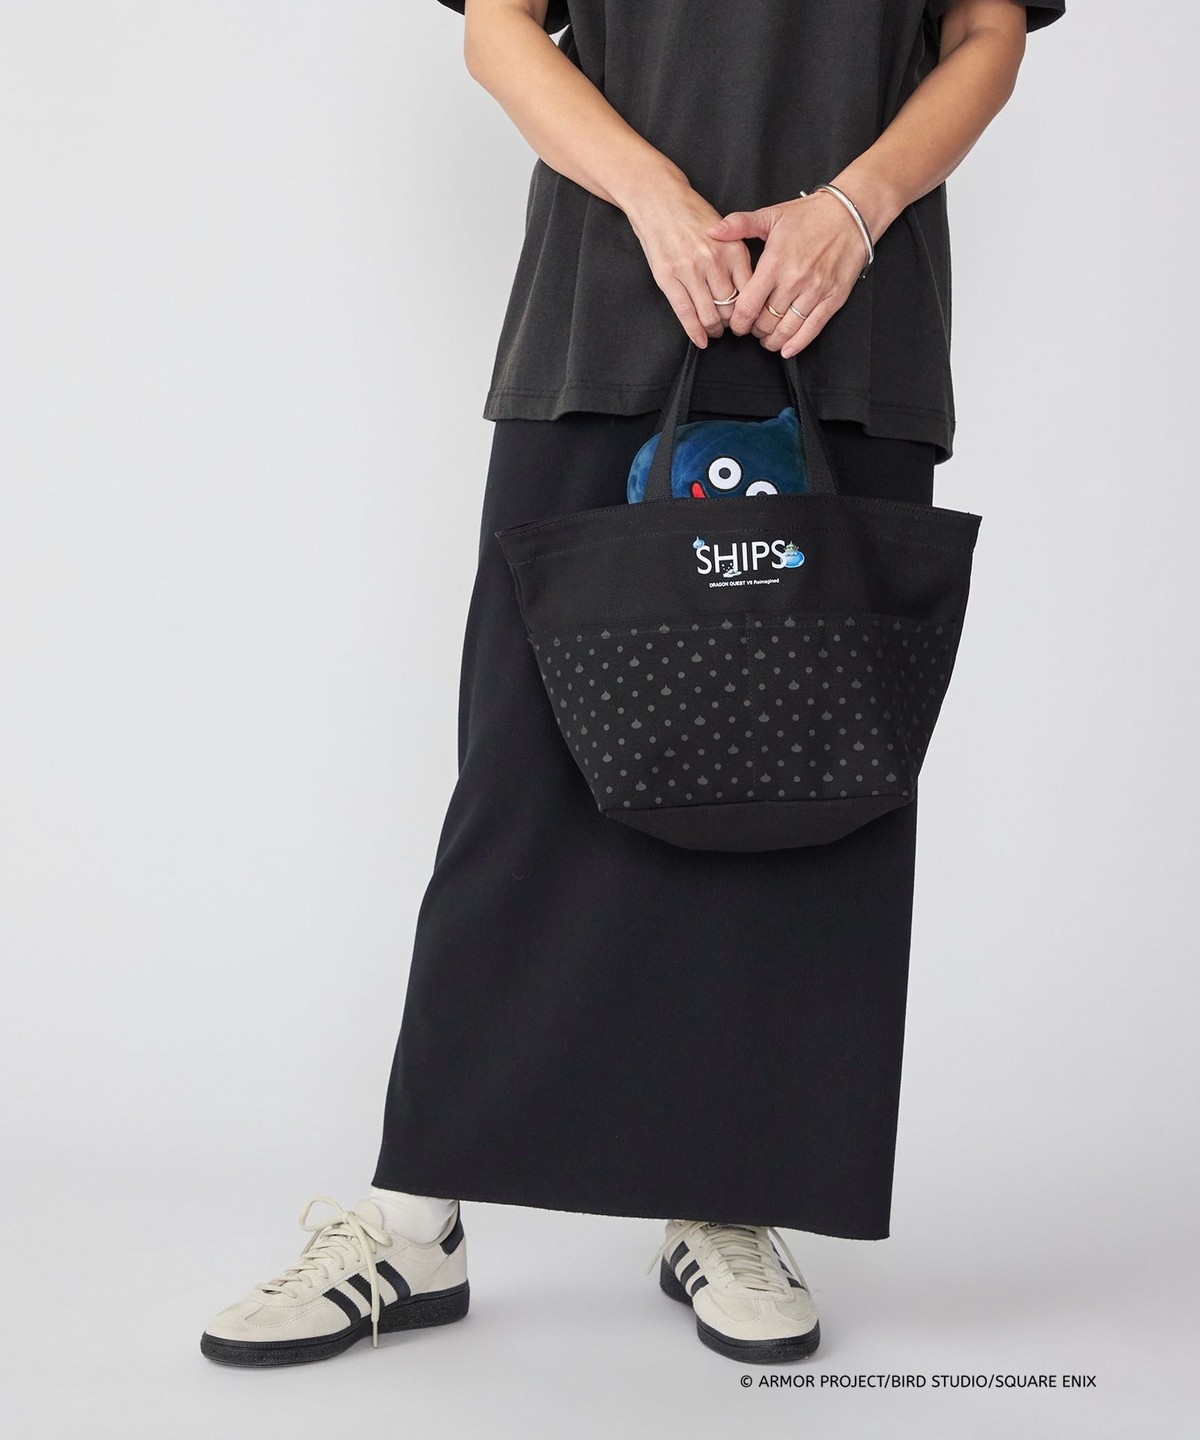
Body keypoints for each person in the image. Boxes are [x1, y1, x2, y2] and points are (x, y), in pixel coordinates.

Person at [201, 0, 1065, 1368]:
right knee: (525, 776)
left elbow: (985, 35)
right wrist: (653, 198)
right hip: (606, 316)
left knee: (798, 786)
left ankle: (729, 1197)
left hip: (845, 324)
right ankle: (415, 1221)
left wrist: (853, 210)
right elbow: (500, 27)